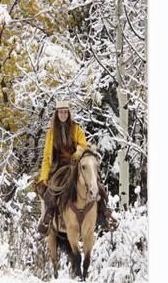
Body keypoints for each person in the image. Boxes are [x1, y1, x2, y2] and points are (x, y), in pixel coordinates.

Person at [35, 99, 116, 237]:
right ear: (57, 114)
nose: (63, 114)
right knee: (50, 190)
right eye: (61, 112)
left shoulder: (76, 128)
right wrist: (44, 176)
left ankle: (104, 214)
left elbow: (83, 146)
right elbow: (47, 156)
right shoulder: (51, 133)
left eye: (65, 112)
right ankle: (47, 219)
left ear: (68, 113)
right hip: (59, 167)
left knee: (96, 184)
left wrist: (77, 154)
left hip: (75, 164)